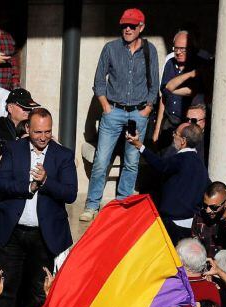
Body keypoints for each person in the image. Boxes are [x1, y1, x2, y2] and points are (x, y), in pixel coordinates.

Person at [0, 108, 75, 307]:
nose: (43, 137)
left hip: (44, 235)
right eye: (38, 132)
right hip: (13, 232)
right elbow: (0, 182)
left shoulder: (63, 154)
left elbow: (70, 193)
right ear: (28, 129)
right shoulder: (14, 149)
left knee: (39, 290)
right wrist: (28, 187)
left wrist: (46, 181)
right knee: (6, 287)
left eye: (47, 132)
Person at [81, 8, 159, 222]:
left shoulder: (150, 50)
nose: (127, 29)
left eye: (132, 26)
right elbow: (99, 82)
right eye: (124, 25)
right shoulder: (111, 48)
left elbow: (155, 84)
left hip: (138, 113)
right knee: (101, 160)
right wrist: (106, 107)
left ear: (141, 27)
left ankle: (123, 205)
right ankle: (92, 205)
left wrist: (147, 110)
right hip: (113, 111)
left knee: (132, 161)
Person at [127, 123, 208, 242]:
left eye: (176, 134)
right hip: (190, 222)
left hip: (173, 222)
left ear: (183, 140)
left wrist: (139, 145)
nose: (173, 136)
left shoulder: (181, 159)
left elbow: (160, 165)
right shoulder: (200, 164)